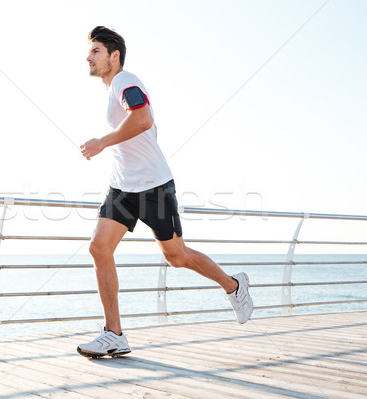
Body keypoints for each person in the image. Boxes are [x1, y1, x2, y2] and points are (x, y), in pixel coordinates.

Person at [77, 26, 253, 358]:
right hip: (122, 187)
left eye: (96, 51)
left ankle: (234, 285)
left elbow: (142, 119)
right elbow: (148, 126)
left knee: (176, 257)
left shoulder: (125, 81)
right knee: (99, 248)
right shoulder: (114, 88)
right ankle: (114, 333)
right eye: (89, 52)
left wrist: (102, 142)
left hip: (154, 186)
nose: (89, 57)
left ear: (114, 56)